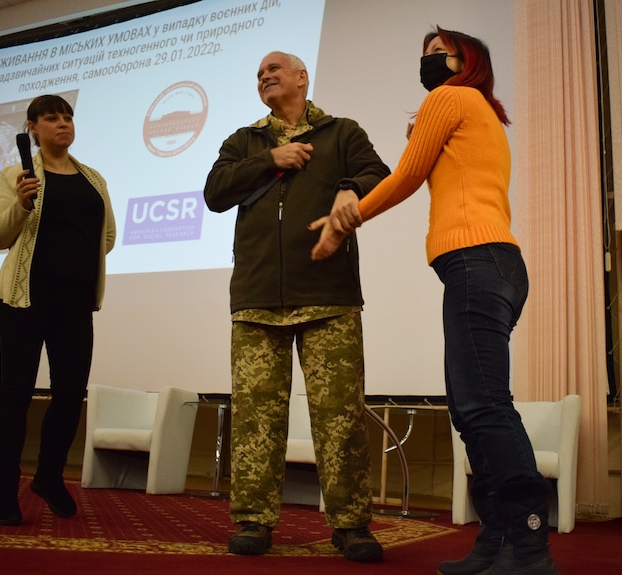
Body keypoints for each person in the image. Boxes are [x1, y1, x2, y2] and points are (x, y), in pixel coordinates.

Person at [310, 28, 560, 575]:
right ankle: (494, 544)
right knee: (473, 412)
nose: (425, 62)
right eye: (421, 55)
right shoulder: (478, 112)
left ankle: (529, 545)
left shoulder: (450, 97)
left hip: (478, 260)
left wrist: (342, 222)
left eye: (436, 52)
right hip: (488, 267)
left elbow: (405, 175)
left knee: (484, 406)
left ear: (466, 61)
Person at [203, 51, 390, 563]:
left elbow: (380, 175)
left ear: (302, 78)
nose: (264, 76)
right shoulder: (243, 141)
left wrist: (349, 187)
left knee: (340, 418)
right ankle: (253, 520)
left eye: (274, 69)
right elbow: (214, 193)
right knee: (255, 419)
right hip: (257, 300)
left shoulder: (341, 132)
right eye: (259, 73)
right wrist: (270, 159)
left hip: (328, 298)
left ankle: (351, 525)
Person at [0, 94, 116, 526]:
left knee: (69, 395)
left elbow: (107, 236)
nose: (63, 124)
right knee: (15, 394)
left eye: (67, 116)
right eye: (51, 118)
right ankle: (4, 491)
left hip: (75, 303)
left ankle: (48, 476)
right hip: (25, 300)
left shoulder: (94, 179)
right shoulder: (17, 175)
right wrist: (21, 205)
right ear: (32, 128)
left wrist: (76, 267)